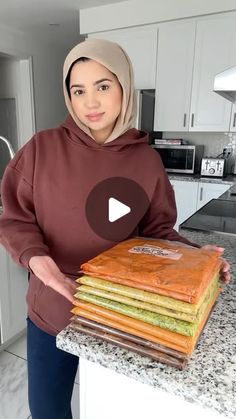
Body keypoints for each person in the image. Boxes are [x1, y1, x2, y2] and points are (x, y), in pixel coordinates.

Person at [0, 39, 230, 419]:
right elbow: (15, 218)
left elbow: (158, 233)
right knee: (47, 410)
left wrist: (196, 258)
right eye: (78, 90)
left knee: (109, 406)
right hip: (50, 309)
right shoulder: (42, 148)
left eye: (103, 86)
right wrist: (41, 264)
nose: (90, 102)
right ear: (68, 96)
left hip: (116, 313)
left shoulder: (146, 161)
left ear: (124, 88)